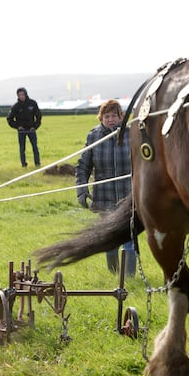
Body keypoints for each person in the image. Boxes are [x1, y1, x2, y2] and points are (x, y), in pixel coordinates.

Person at [75, 99, 135, 276]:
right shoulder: (93, 136)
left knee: (129, 240)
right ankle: (114, 276)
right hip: (104, 196)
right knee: (110, 240)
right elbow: (83, 165)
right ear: (100, 118)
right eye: (106, 116)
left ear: (121, 117)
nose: (110, 120)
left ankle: (129, 278)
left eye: (114, 116)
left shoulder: (131, 134)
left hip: (129, 196)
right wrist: (81, 189)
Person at [7, 87, 42, 167]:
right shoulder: (16, 106)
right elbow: (9, 119)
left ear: (26, 94)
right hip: (22, 131)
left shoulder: (32, 103)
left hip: (31, 130)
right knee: (22, 148)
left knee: (35, 147)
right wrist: (17, 126)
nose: (21, 96)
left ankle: (37, 163)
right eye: (19, 95)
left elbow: (39, 116)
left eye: (23, 94)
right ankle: (23, 164)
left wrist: (35, 126)